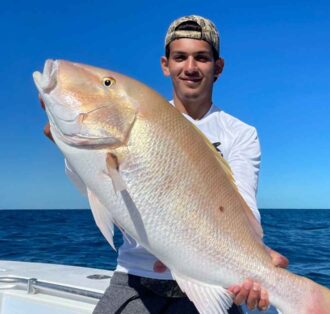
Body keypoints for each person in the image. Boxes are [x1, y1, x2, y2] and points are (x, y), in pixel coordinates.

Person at [41, 15, 288, 314]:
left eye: (202, 58)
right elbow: (97, 188)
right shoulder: (142, 118)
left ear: (217, 67)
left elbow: (244, 206)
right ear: (165, 64)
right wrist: (72, 152)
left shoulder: (240, 133)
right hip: (136, 280)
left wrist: (259, 264)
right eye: (180, 57)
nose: (190, 67)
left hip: (210, 281)